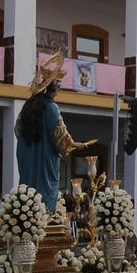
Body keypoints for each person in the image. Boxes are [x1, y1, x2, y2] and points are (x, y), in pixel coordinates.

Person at [16, 52, 95, 211]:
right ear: (52, 87)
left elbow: (18, 130)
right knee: (44, 195)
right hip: (45, 159)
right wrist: (74, 145)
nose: (58, 90)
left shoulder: (28, 106)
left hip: (27, 153)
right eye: (58, 86)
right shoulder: (51, 107)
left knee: (27, 193)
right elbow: (61, 138)